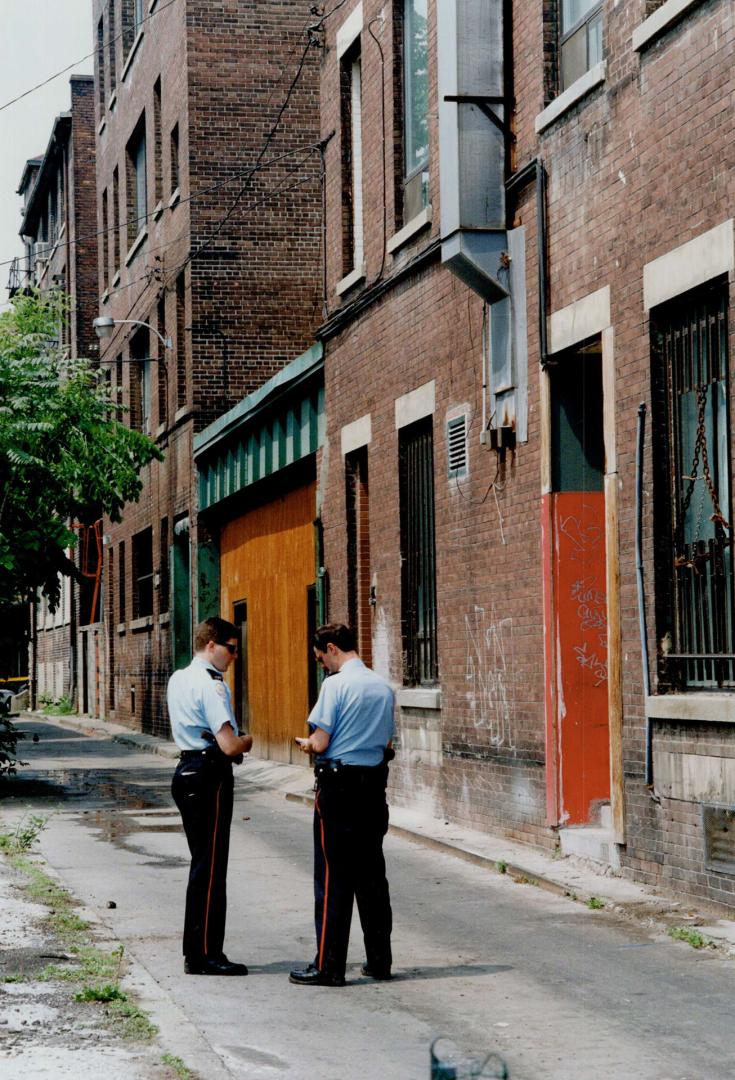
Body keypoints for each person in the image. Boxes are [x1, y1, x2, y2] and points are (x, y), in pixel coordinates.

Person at [290, 623, 395, 987]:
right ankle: (380, 960)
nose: (323, 666)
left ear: (331, 648)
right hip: (373, 787)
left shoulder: (335, 686)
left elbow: (321, 741)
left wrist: (305, 743)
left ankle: (329, 965)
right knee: (371, 877)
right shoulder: (382, 686)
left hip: (338, 788)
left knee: (333, 878)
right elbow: (387, 742)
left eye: (321, 659)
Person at [168, 616, 253, 976]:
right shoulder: (212, 686)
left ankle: (196, 950)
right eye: (232, 649)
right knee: (212, 867)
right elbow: (230, 745)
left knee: (202, 863)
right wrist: (247, 741)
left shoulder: (178, 678)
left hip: (186, 771)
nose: (235, 656)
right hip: (210, 776)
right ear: (212, 645)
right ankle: (206, 955)